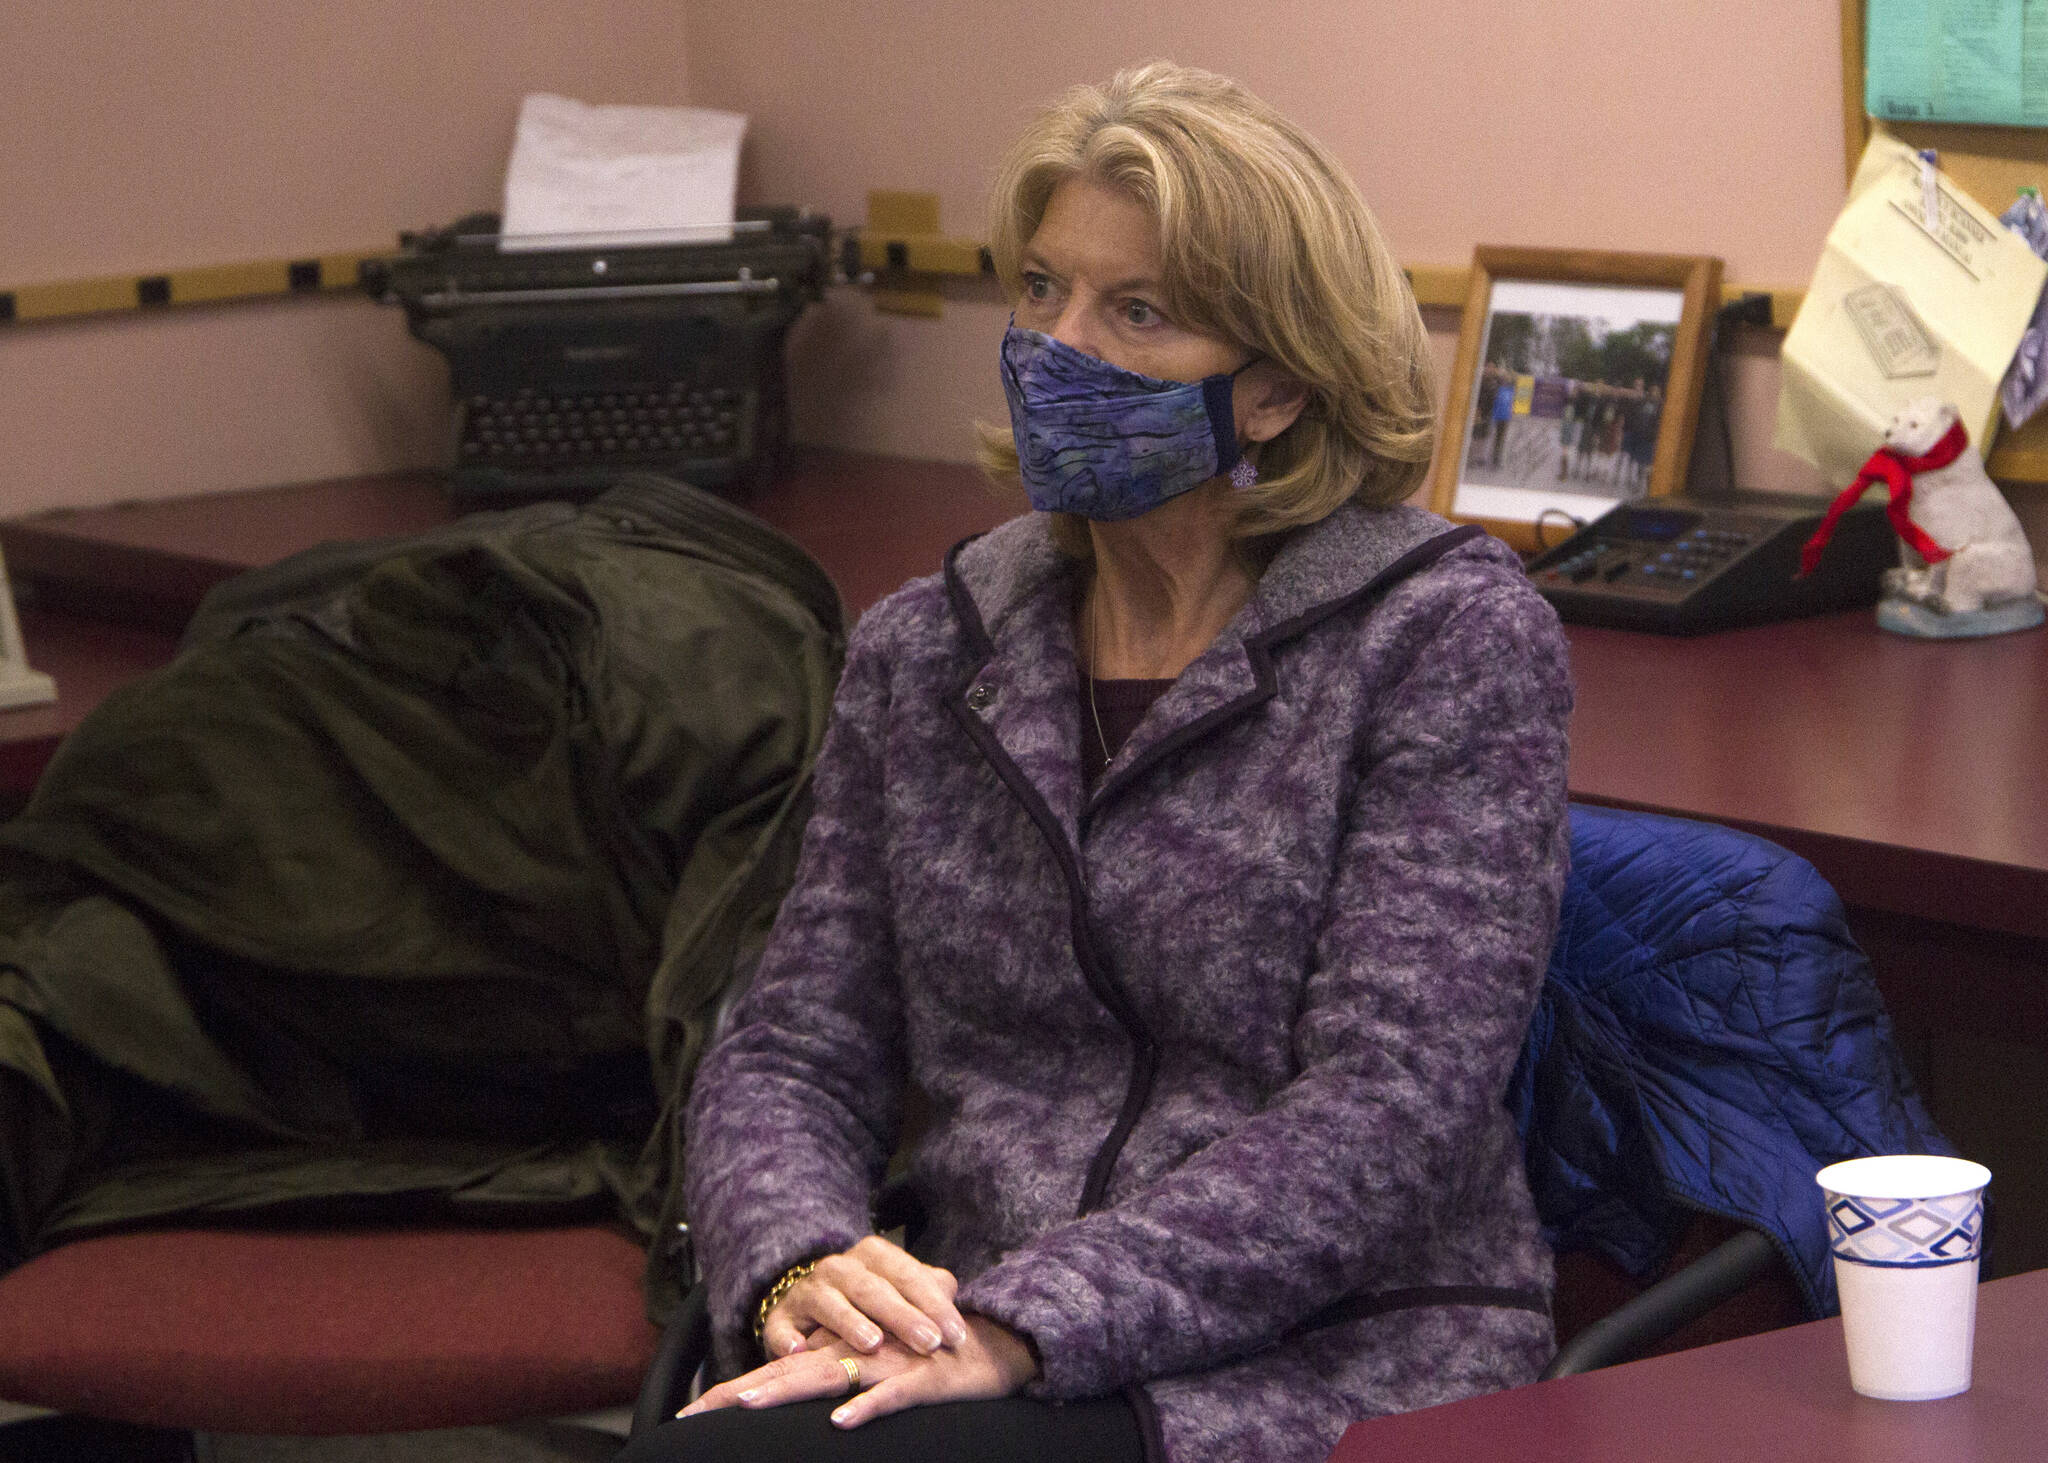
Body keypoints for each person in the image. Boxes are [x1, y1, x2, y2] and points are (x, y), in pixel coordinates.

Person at [621, 61, 1572, 1463]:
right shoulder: (929, 646)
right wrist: (800, 1261)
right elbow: (797, 1041)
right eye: (1041, 290)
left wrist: (1028, 1325)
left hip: (1314, 1348)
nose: (1058, 349)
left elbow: (1386, 1116)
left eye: (1138, 312)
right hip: (959, 1313)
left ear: (1276, 388)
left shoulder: (1445, 640)